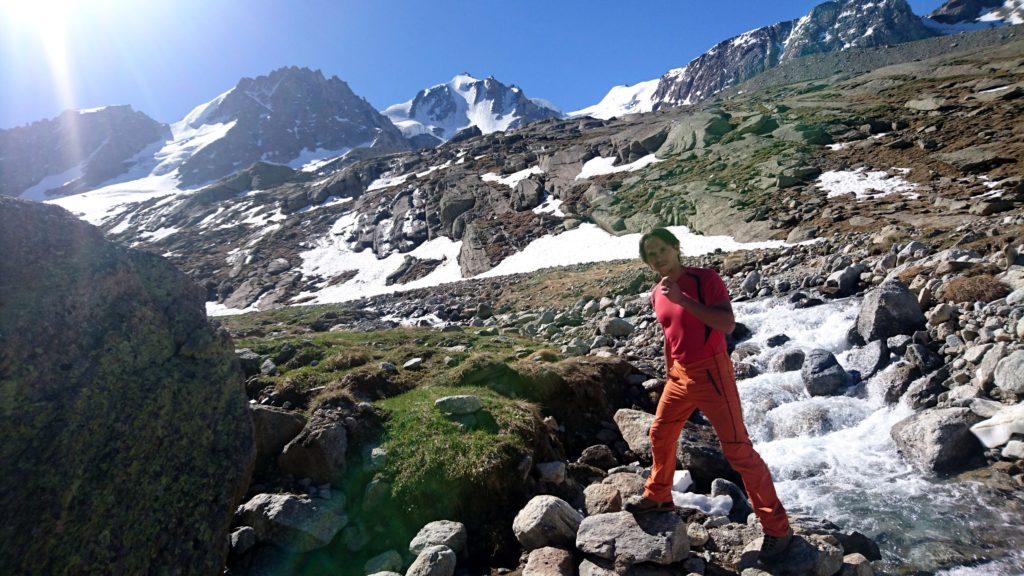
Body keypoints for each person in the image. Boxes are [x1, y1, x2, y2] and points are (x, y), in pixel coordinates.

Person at [623, 227, 793, 561]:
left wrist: (683, 299)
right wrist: (669, 369)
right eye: (651, 255)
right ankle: (658, 495)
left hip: (713, 373)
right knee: (660, 432)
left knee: (738, 452)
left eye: (661, 250)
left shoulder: (704, 279)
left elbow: (727, 324)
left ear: (675, 247)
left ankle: (777, 528)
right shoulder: (657, 292)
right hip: (679, 375)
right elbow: (670, 334)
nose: (657, 258)